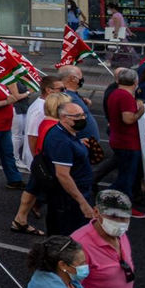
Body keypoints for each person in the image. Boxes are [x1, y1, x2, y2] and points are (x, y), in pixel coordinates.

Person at [37, 93, 97, 237]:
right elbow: (63, 175)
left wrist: (79, 146)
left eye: (83, 115)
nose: (82, 119)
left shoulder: (68, 133)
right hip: (68, 198)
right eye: (77, 117)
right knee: (69, 235)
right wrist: (83, 203)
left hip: (72, 194)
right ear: (64, 118)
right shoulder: (61, 141)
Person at [102, 68, 145, 212]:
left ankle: (118, 204)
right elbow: (128, 119)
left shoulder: (115, 93)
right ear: (135, 82)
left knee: (125, 176)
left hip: (119, 139)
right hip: (128, 143)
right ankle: (111, 202)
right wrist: (141, 111)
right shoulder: (125, 96)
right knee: (126, 179)